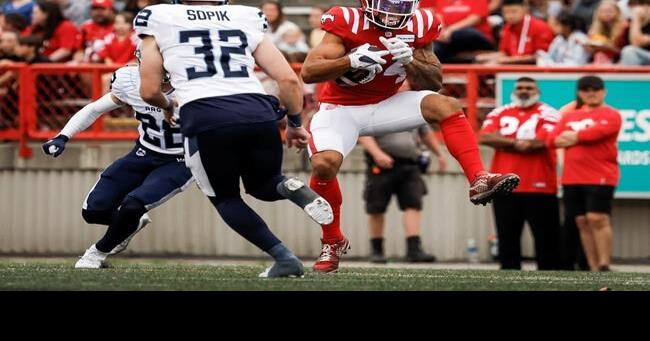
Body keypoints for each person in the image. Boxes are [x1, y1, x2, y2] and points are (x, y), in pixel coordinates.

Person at [300, 0, 520, 273]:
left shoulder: (421, 23)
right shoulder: (347, 20)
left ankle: (479, 179)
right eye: (386, 4)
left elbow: (434, 81)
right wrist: (349, 61)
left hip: (387, 104)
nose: (393, 12)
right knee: (324, 164)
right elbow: (309, 72)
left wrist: (411, 60)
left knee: (446, 105)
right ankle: (332, 240)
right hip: (341, 109)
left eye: (401, 4)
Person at [135, 0, 334, 278]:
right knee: (266, 184)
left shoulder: (159, 17)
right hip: (257, 111)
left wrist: (169, 106)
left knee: (226, 197)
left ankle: (284, 258)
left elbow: (148, 90)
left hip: (205, 114)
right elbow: (288, 80)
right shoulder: (245, 15)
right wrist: (295, 124)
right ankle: (289, 185)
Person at [41, 53, 193, 269]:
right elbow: (95, 108)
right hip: (144, 152)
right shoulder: (129, 80)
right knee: (93, 211)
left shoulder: (197, 86)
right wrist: (63, 135)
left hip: (181, 159)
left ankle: (96, 254)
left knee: (133, 205)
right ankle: (131, 224)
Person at [479, 77, 562, 270]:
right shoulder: (500, 111)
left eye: (529, 87)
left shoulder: (549, 112)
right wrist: (517, 143)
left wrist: (505, 141)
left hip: (539, 184)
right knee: (507, 237)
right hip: (504, 183)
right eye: (520, 87)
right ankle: (509, 276)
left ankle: (551, 277)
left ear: (537, 91)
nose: (524, 91)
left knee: (546, 238)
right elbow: (484, 137)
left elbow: (541, 143)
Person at [547, 75, 621, 272]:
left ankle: (604, 262)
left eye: (595, 89)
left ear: (603, 91)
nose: (591, 93)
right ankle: (593, 264)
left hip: (601, 174)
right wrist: (578, 138)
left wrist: (575, 137)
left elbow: (598, 133)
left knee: (597, 217)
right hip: (572, 176)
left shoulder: (611, 113)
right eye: (586, 90)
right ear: (580, 93)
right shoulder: (570, 116)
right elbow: (552, 140)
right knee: (581, 220)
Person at [359, 125, 447, 263]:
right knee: (376, 207)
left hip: (410, 164)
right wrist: (377, 153)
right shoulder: (376, 107)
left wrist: (439, 153)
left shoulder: (414, 109)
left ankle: (414, 250)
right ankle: (377, 250)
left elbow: (425, 134)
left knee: (413, 204)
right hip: (381, 164)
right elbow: (363, 133)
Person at [475, 0, 555, 65]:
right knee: (479, 62)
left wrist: (505, 61)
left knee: (493, 65)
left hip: (534, 68)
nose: (510, 16)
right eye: (506, 13)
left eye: (514, 12)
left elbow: (541, 57)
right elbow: (505, 53)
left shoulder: (540, 27)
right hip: (512, 64)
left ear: (524, 9)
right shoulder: (507, 28)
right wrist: (485, 57)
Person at [420, 0, 496, 63]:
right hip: (448, 38)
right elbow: (439, 16)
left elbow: (475, 18)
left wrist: (451, 30)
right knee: (433, 47)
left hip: (475, 35)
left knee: (462, 33)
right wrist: (441, 31)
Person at [584, 0, 629, 64]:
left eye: (609, 11)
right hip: (600, 59)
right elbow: (592, 51)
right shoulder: (594, 29)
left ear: (617, 12)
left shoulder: (625, 27)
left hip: (619, 60)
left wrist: (609, 47)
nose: (606, 14)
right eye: (603, 11)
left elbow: (626, 51)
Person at [619, 0, 650, 65]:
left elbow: (636, 42)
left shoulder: (636, 20)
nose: (639, 9)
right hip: (640, 59)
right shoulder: (628, 23)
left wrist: (636, 19)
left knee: (629, 51)